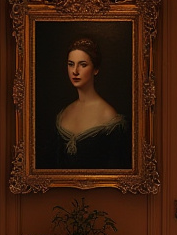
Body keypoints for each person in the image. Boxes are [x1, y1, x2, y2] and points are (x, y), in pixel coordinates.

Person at [45, 37, 131, 170]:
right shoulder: (64, 113)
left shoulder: (109, 116)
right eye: (71, 64)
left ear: (95, 69)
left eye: (83, 65)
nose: (75, 71)